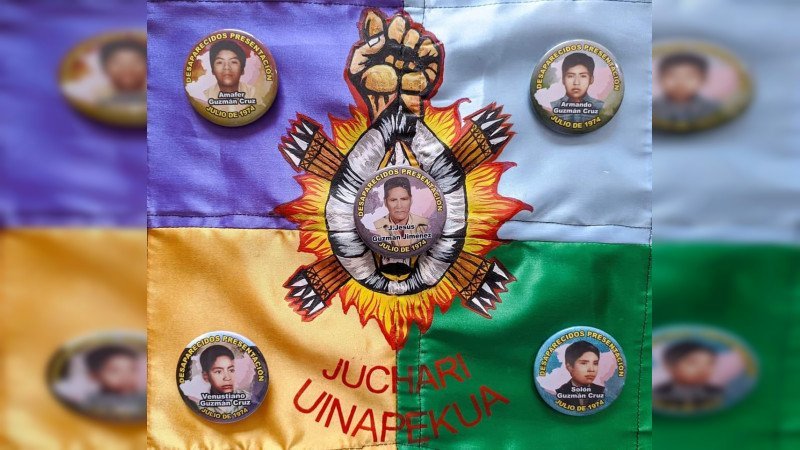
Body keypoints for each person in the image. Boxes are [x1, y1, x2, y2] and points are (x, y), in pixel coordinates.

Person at [654, 340, 723, 411]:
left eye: (709, 363)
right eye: (692, 363)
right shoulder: (657, 394)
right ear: (670, 366)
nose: (703, 370)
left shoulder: (719, 394)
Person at [653, 52, 720, 123]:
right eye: (671, 75)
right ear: (660, 78)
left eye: (689, 76)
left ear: (703, 79)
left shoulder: (714, 109)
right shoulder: (651, 108)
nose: (680, 82)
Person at [83, 345, 145, 418]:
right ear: (94, 376)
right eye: (115, 371)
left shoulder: (144, 399)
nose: (126, 377)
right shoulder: (93, 402)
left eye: (132, 369)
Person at [373, 176, 429, 248]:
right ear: (385, 202)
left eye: (404, 199)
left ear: (411, 200)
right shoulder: (374, 228)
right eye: (393, 200)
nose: (399, 206)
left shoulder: (426, 225)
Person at [203, 40, 257, 112]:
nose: (227, 67)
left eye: (233, 62)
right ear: (213, 70)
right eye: (220, 62)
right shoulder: (204, 97)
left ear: (242, 70)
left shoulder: (253, 93)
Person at [550, 53, 605, 123]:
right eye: (570, 76)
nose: (576, 82)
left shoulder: (601, 107)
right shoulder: (551, 107)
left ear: (591, 79)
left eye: (583, 76)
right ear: (563, 79)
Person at [197, 345, 252, 415]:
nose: (227, 378)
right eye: (218, 372)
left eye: (231, 370)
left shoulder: (249, 399)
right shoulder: (201, 407)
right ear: (206, 376)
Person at [555, 340, 605, 407]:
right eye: (584, 363)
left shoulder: (602, 391)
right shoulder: (559, 393)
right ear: (569, 367)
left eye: (595, 363)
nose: (591, 369)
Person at [98, 38, 147, 105]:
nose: (127, 68)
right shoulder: (97, 102)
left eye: (135, 61)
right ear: (105, 68)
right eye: (117, 62)